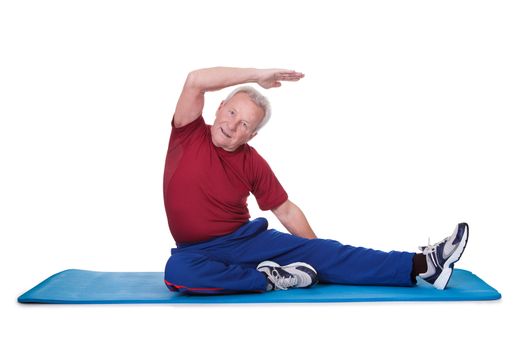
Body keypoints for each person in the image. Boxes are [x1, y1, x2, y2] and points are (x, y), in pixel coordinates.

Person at [162, 66, 469, 294]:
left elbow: (286, 211)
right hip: (194, 252)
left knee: (324, 252)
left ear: (251, 135)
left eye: (244, 124)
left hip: (245, 242)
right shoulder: (187, 133)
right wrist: (256, 75)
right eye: (230, 112)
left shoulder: (252, 161)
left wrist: (319, 254)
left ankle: (424, 265)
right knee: (177, 272)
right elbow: (195, 81)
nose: (232, 125)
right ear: (218, 108)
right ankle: (268, 278)